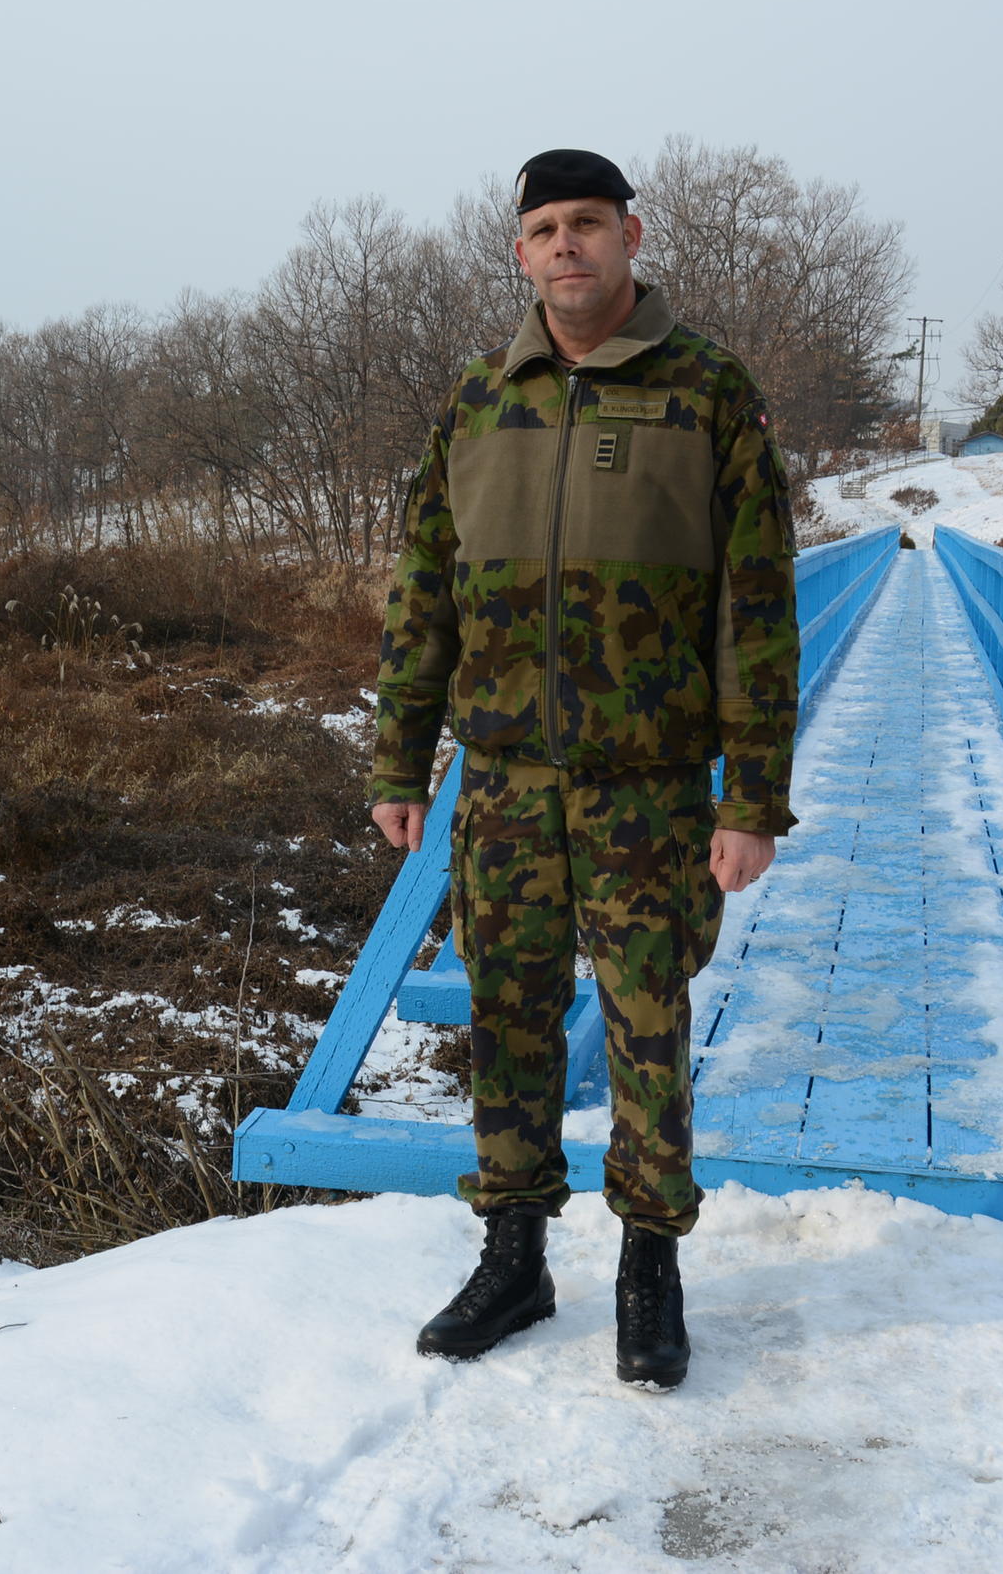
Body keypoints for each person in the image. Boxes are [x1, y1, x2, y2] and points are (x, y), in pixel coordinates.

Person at [369, 148, 799, 1389]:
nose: (568, 244)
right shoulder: (478, 398)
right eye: (546, 227)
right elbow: (424, 591)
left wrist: (750, 797)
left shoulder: (706, 391)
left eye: (589, 223)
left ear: (630, 236)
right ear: (520, 251)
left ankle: (648, 1264)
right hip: (503, 779)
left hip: (645, 785)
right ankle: (514, 1254)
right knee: (505, 1018)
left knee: (645, 1026)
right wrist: (399, 757)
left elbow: (755, 610)